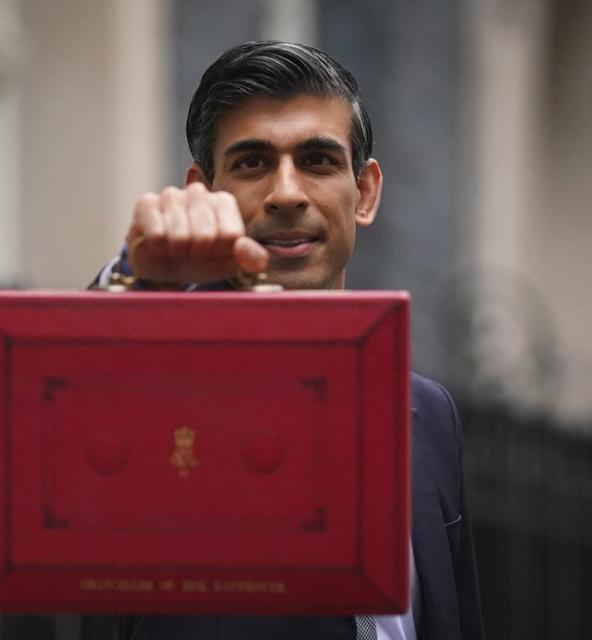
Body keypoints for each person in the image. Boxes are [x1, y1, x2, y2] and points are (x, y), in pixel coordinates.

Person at [95, 41, 484, 640]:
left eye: (318, 160)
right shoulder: (154, 396)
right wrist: (130, 279)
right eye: (252, 162)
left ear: (367, 192)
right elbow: (52, 410)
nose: (286, 193)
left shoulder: (429, 415)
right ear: (205, 193)